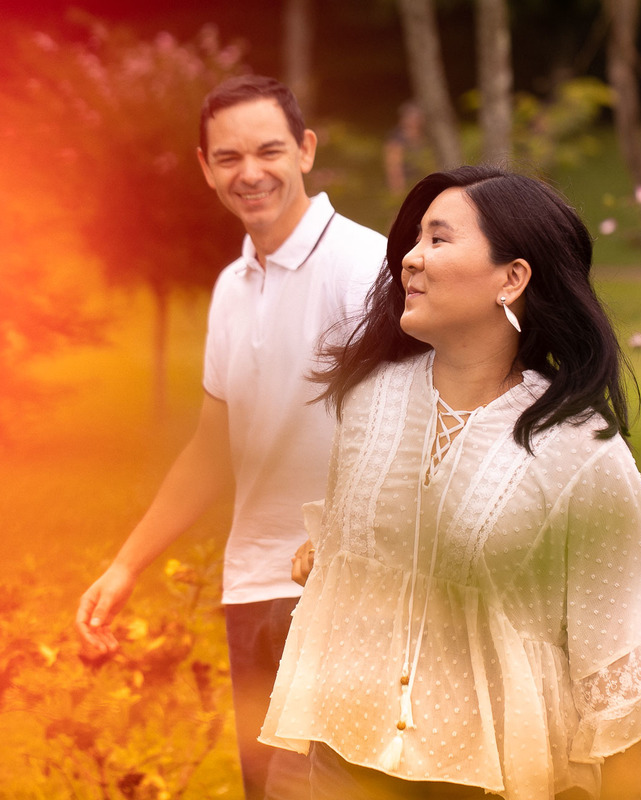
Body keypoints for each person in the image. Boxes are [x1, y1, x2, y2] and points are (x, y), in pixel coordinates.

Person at [260, 165, 641, 799]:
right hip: (346, 756)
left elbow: (621, 662)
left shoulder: (579, 448)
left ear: (513, 277)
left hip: (495, 777)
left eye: (439, 240)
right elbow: (357, 554)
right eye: (414, 241)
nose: (410, 260)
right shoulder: (369, 403)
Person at [74, 75, 387, 800]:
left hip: (345, 590)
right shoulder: (231, 287)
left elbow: (413, 423)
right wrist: (126, 566)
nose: (250, 173)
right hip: (251, 591)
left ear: (306, 150)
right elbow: (216, 448)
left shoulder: (364, 267)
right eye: (229, 157)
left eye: (270, 150)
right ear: (205, 168)